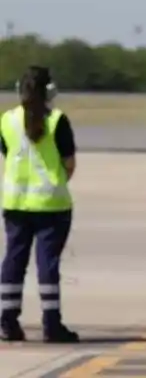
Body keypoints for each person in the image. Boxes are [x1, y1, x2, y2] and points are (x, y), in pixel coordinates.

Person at [0, 66, 79, 343]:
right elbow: (69, 164)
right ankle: (51, 324)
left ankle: (7, 321)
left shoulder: (7, 120)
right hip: (51, 205)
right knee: (47, 264)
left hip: (15, 204)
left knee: (13, 260)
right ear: (50, 91)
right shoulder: (57, 120)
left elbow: (8, 154)